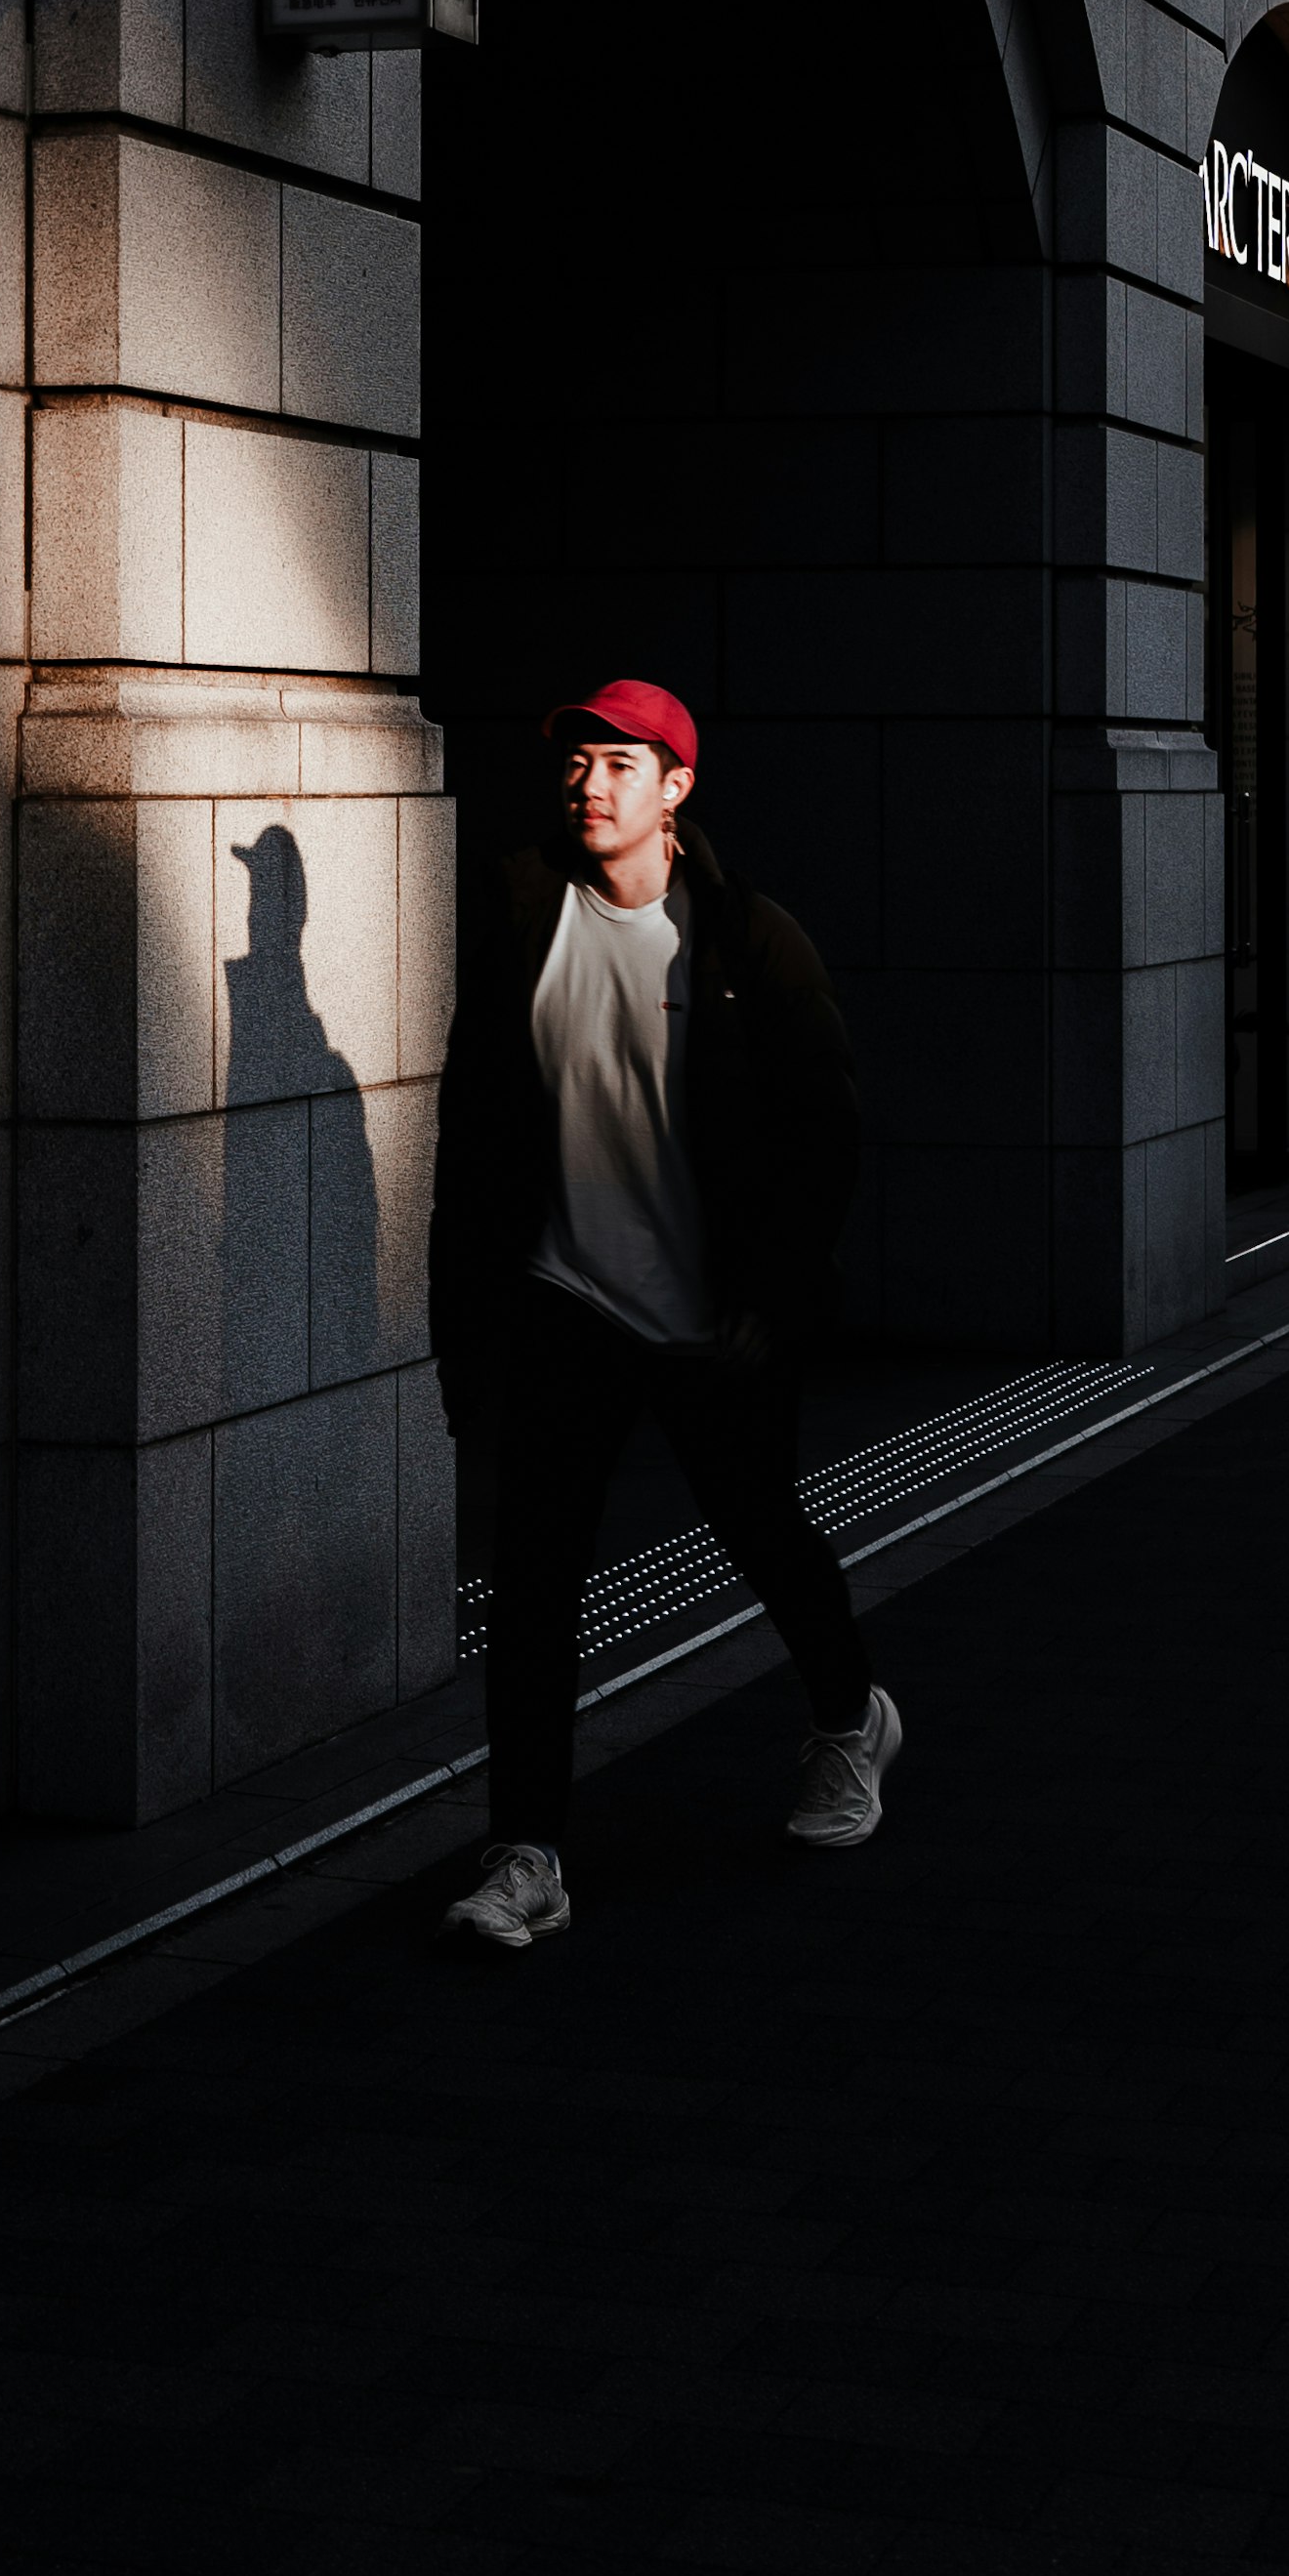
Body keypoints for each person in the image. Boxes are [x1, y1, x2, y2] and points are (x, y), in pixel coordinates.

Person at [428, 677, 899, 1952]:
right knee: (535, 1588)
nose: (588, 783)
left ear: (676, 788)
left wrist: (779, 1297)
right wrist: (465, 1314)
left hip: (713, 1320)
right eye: (578, 762)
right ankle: (527, 1855)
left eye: (619, 764)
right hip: (565, 1302)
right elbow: (475, 1128)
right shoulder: (526, 912)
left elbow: (827, 1135)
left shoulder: (749, 942)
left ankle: (851, 1719)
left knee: (764, 1536)